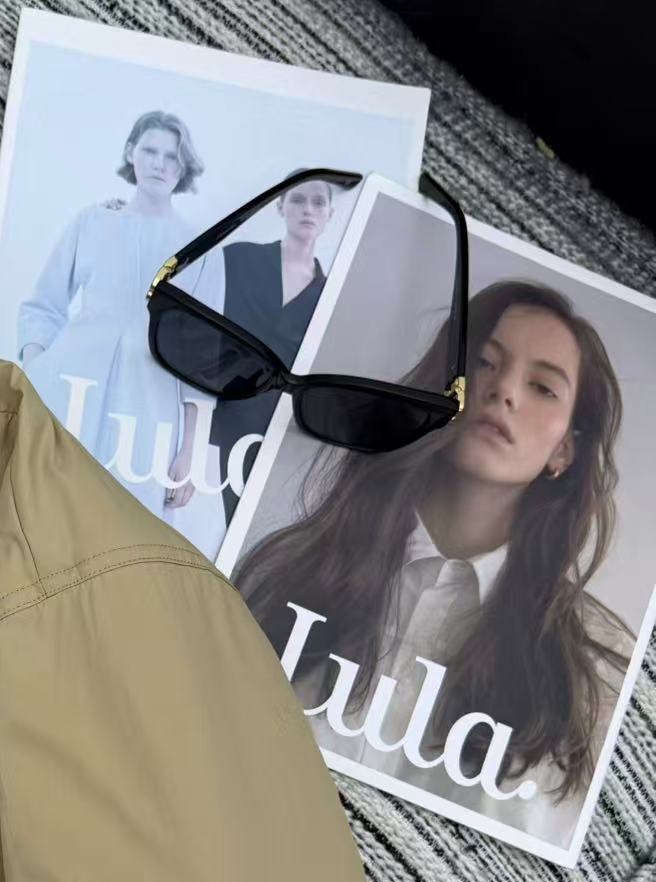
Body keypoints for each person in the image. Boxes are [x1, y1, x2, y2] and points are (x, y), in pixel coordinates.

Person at [233, 280, 633, 845]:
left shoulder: (592, 667)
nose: (504, 391)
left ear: (565, 449)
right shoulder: (294, 567)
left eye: (542, 387)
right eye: (484, 363)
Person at [16, 109, 222, 517]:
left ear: (184, 166)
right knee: (45, 510)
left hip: (148, 413)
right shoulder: (92, 221)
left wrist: (191, 452)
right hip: (69, 393)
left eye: (172, 156)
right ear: (131, 152)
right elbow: (43, 305)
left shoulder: (201, 249)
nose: (159, 164)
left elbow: (204, 359)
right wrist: (35, 372)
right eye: (150, 151)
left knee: (125, 523)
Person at [178, 171, 338, 527]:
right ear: (280, 206)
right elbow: (195, 328)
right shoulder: (238, 258)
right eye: (298, 199)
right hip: (210, 423)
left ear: (330, 215)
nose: (307, 209)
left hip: (271, 438)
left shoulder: (331, 297)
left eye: (318, 202)